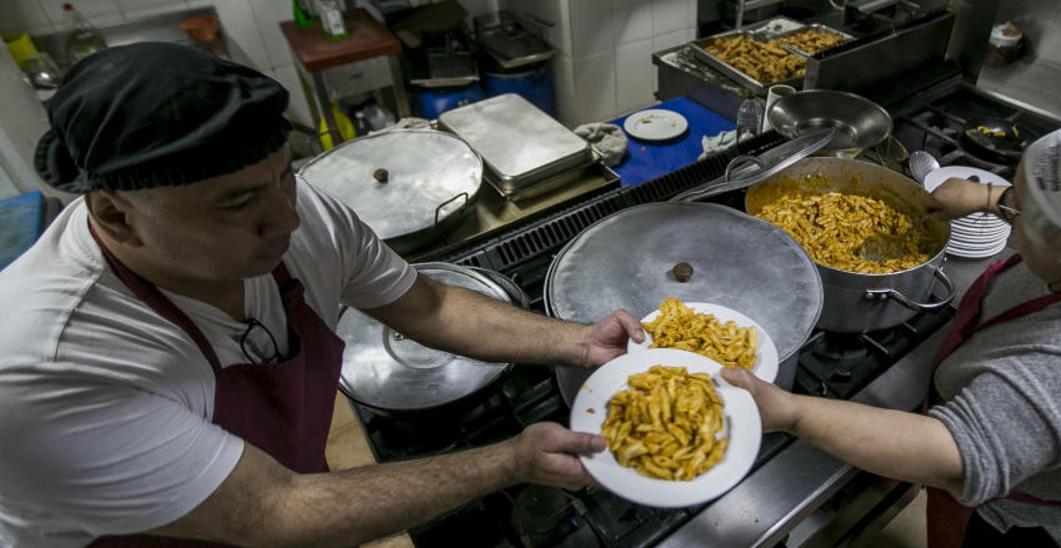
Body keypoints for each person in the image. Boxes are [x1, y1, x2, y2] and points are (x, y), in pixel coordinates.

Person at [0, 42, 644, 547]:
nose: (285, 216)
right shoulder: (43, 362)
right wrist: (510, 461)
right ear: (115, 217)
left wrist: (580, 343)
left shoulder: (299, 208)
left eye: (283, 177)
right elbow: (272, 512)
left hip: (279, 498)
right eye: (238, 201)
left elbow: (429, 305)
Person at [724, 114, 1061, 548]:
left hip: (1033, 527)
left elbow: (951, 454)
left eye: (1019, 213)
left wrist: (791, 412)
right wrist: (990, 195)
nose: (1008, 215)